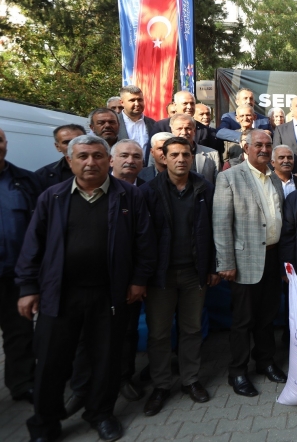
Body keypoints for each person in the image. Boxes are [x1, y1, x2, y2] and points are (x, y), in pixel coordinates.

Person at [15, 134, 156, 442]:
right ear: (70, 161)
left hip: (110, 294)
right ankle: (45, 424)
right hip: (59, 294)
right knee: (51, 362)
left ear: (109, 161)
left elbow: (145, 243)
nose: (90, 162)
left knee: (105, 360)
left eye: (97, 156)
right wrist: (27, 287)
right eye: (82, 156)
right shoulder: (52, 197)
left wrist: (138, 280)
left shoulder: (129, 197)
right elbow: (32, 246)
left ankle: (100, 413)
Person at [141, 136, 217, 415]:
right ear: (163, 156)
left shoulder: (204, 188)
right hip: (160, 276)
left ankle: (190, 380)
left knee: (192, 329)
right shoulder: (149, 191)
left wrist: (211, 267)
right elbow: (142, 236)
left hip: (193, 273)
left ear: (192, 156)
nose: (181, 159)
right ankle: (161, 385)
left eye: (186, 154)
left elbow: (213, 230)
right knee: (159, 333)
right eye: (174, 154)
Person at [213, 130, 288, 397]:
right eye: (259, 145)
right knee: (243, 320)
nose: (264, 150)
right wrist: (226, 262)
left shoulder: (274, 179)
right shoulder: (229, 178)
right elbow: (221, 224)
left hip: (272, 256)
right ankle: (238, 372)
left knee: (267, 316)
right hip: (244, 261)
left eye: (268, 145)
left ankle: (266, 362)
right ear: (246, 148)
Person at [0, 127, 41, 404]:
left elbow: (38, 230)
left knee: (19, 333)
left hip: (14, 275)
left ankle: (22, 383)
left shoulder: (24, 180)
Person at [154, 91, 218, 150]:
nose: (189, 107)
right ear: (175, 105)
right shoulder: (161, 126)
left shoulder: (204, 130)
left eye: (192, 103)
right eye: (185, 103)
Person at [170, 114, 220, 184]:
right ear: (172, 131)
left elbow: (218, 184)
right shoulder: (163, 153)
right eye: (179, 129)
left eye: (188, 128)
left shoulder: (212, 154)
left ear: (194, 131)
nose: (184, 132)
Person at [117, 85, 156, 153]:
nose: (137, 104)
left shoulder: (153, 124)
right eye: (132, 100)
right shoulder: (114, 123)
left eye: (140, 100)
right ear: (122, 103)